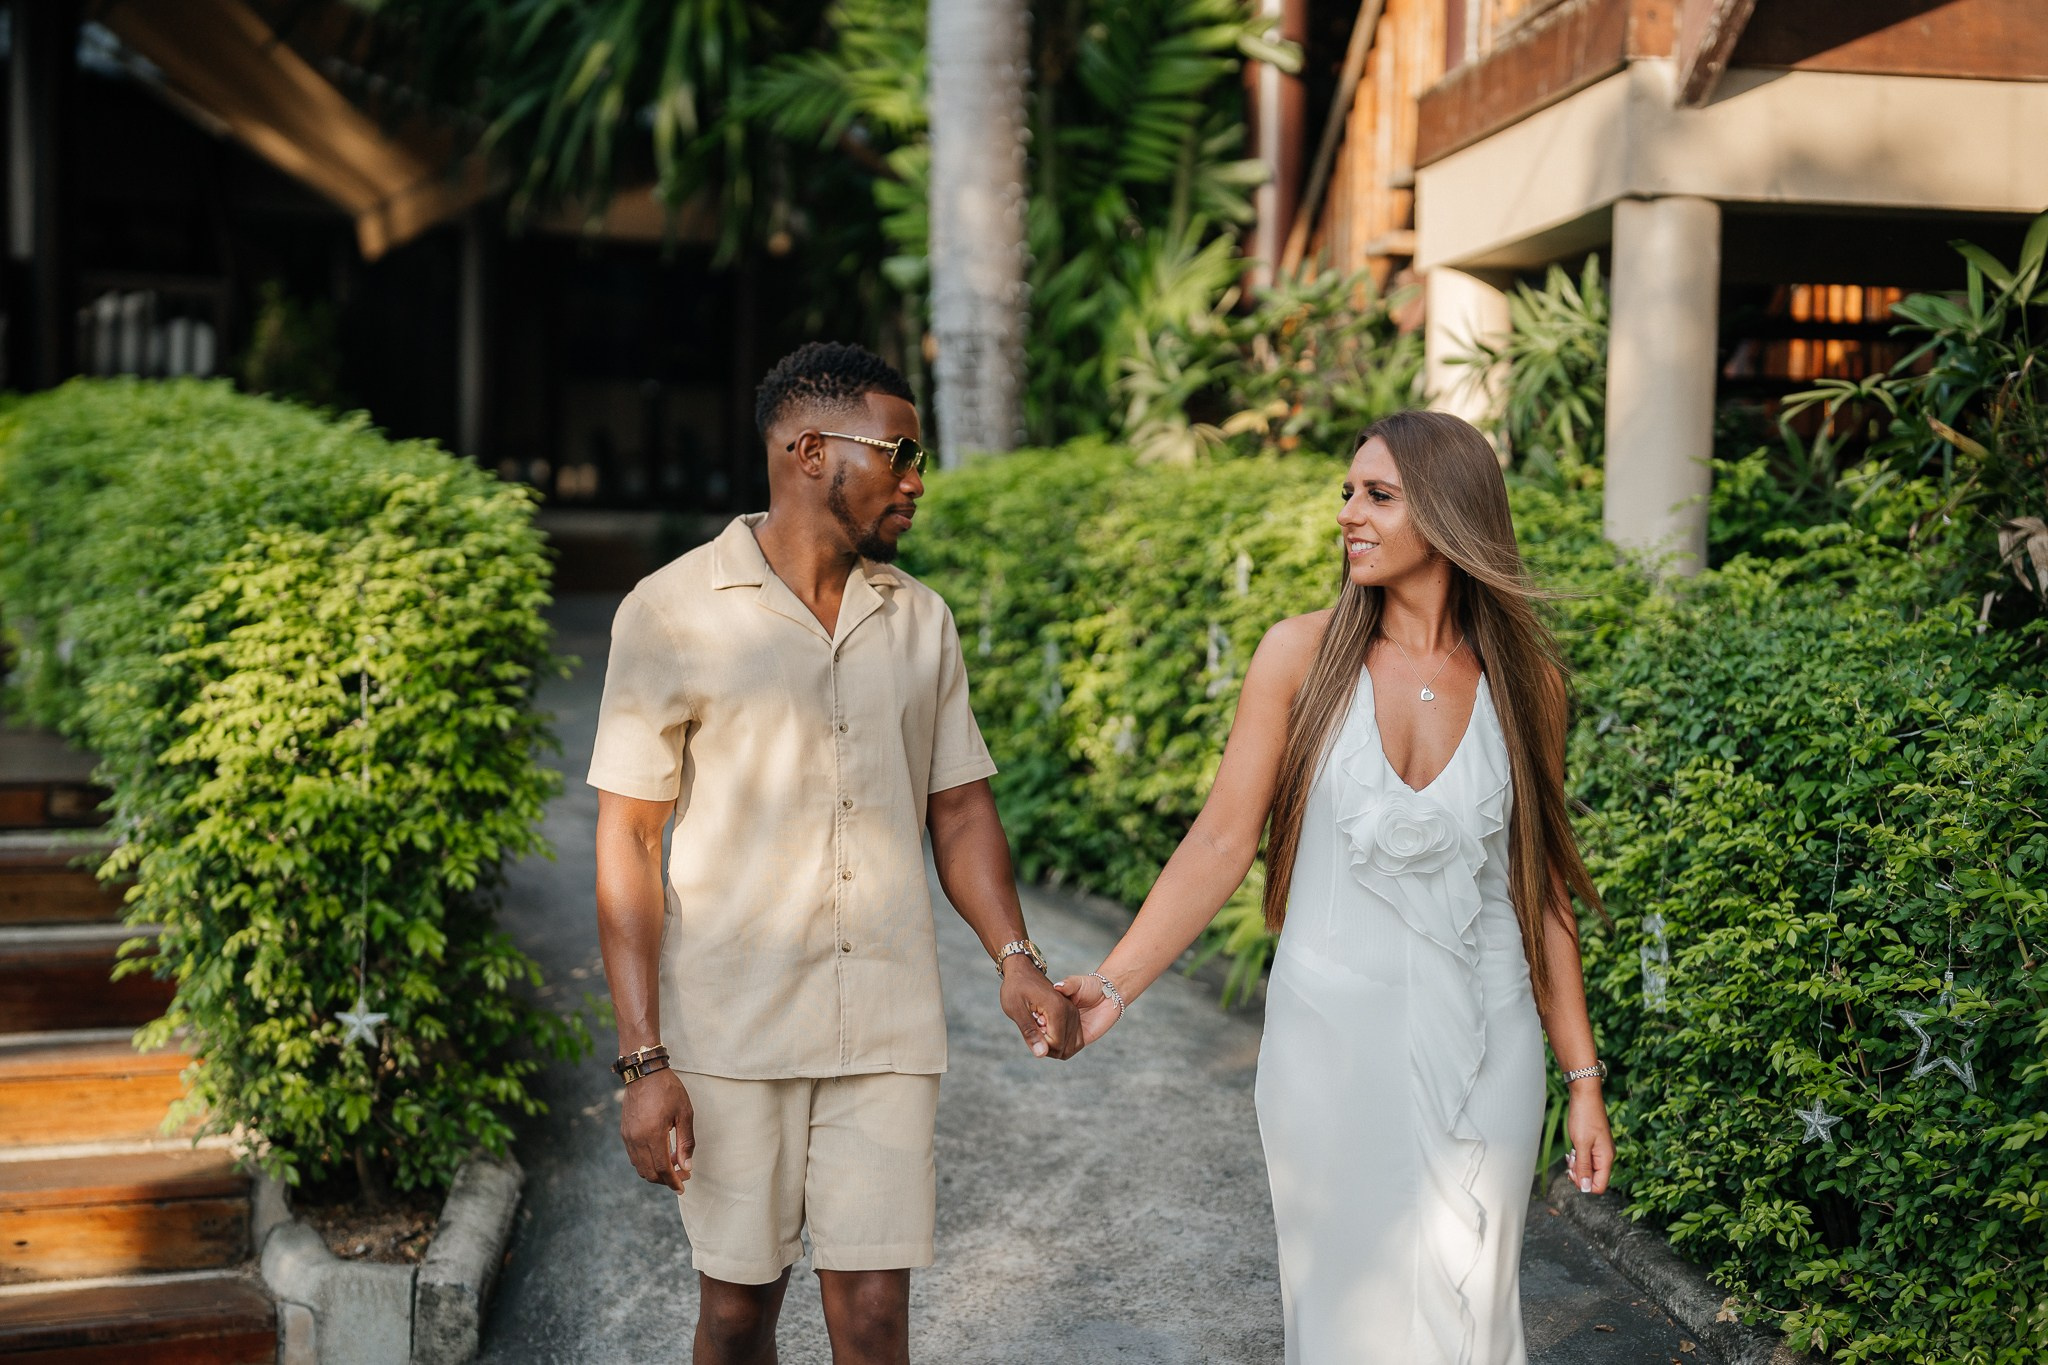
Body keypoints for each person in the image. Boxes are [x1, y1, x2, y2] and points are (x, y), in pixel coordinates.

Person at [1055, 409, 1616, 1364]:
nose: (1349, 513)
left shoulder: (1531, 685)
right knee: (1345, 1323)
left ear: (1448, 514)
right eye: (1348, 493)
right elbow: (1223, 840)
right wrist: (1113, 987)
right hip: (1329, 1043)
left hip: (1491, 1045)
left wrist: (1584, 1080)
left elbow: (1543, 895)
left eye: (1379, 496)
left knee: (1474, 1314)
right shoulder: (1299, 654)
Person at [587, 341, 1082, 1365]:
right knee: (735, 1317)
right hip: (731, 1033)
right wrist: (643, 1059)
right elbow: (628, 839)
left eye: (918, 458)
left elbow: (959, 807)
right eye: (898, 454)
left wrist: (1014, 957)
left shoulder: (919, 620)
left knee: (872, 1320)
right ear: (810, 450)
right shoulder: (669, 612)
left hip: (886, 1028)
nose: (913, 482)